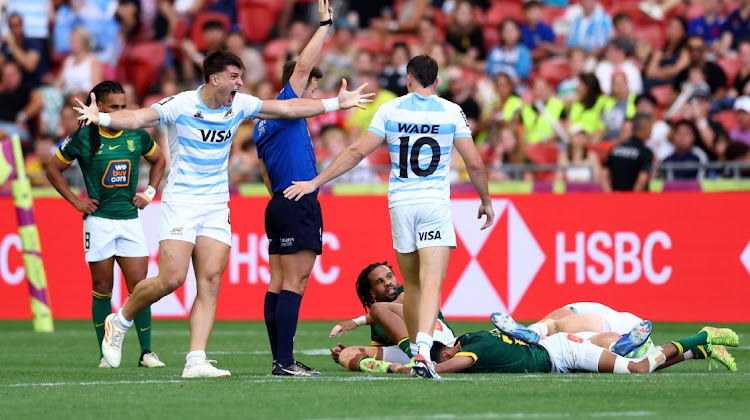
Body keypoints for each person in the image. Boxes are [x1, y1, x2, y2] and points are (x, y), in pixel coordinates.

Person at [76, 46, 373, 378]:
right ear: (214, 78)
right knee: (171, 279)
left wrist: (337, 103)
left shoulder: (241, 105)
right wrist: (100, 118)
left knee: (211, 281)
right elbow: (138, 117)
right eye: (234, 77)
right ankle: (119, 321)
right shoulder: (182, 104)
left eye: (242, 77)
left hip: (216, 203)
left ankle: (196, 360)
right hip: (182, 201)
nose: (240, 83)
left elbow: (288, 108)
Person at [283, 54, 494, 380]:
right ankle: (423, 355)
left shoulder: (391, 109)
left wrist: (314, 182)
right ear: (437, 82)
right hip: (434, 205)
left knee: (410, 284)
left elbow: (356, 152)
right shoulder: (452, 111)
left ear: (408, 79)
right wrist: (485, 200)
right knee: (431, 285)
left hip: (401, 205)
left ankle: (416, 352)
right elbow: (475, 164)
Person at [46, 81, 167, 368]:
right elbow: (53, 169)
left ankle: (147, 352)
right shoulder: (84, 136)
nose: (121, 112)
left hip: (130, 220)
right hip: (98, 222)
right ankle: (105, 354)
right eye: (115, 107)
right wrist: (77, 201)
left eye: (124, 106)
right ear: (99, 107)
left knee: (140, 287)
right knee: (102, 287)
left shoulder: (135, 133)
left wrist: (149, 192)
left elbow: (159, 160)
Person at [253, 0, 342, 377]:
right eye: (312, 88)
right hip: (297, 200)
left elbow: (262, 169)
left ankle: (280, 360)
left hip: (277, 201)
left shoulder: (262, 122)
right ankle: (286, 363)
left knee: (277, 281)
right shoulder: (287, 106)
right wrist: (324, 27)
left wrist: (281, 191)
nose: (316, 96)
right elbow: (304, 64)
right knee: (296, 280)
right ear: (297, 85)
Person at [392, 324, 738, 376]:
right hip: (552, 352)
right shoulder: (471, 335)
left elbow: (435, 369)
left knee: (638, 369)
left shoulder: (469, 352)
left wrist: (407, 368)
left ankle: (701, 336)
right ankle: (699, 353)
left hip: (562, 354)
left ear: (447, 353)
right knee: (632, 367)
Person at [328, 261, 456, 372]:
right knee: (346, 354)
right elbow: (379, 350)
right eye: (380, 282)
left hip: (438, 340)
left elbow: (387, 309)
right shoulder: (376, 321)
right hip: (408, 352)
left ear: (397, 279)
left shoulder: (409, 290)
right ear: (372, 292)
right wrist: (361, 356)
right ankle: (390, 368)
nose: (388, 282)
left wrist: (356, 322)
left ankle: (418, 358)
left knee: (378, 309)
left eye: (389, 276)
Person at [601, 113, 654, 192]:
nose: (651, 131)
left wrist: (609, 195)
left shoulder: (616, 149)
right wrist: (632, 199)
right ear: (644, 129)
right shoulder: (646, 152)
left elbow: (604, 174)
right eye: (650, 128)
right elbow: (642, 179)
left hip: (616, 197)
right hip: (634, 200)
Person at [2, 13, 48, 89]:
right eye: (12, 26)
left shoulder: (32, 42)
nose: (15, 29)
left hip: (34, 86)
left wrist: (13, 45)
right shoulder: (6, 45)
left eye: (17, 25)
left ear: (22, 25)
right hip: (12, 88)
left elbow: (30, 65)